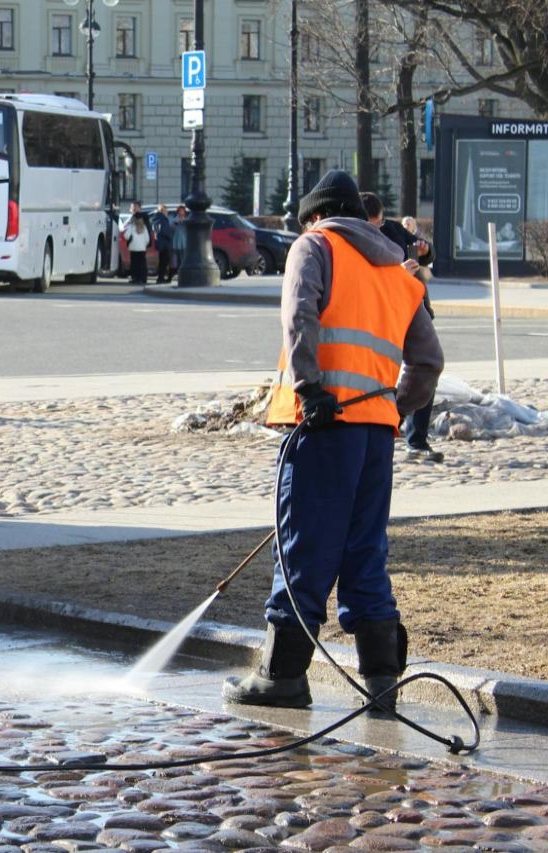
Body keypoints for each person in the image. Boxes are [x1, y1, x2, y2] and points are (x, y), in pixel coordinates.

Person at [222, 170, 444, 715]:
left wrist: (310, 389)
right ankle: (382, 684)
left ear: (316, 216)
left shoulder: (314, 246)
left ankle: (282, 676)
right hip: (375, 434)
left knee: (303, 547)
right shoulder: (398, 272)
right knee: (364, 553)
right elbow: (428, 361)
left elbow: (299, 317)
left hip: (322, 425)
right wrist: (395, 405)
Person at [361, 192, 443, 463]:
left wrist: (423, 250)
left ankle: (415, 437)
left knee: (427, 366)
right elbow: (368, 281)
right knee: (377, 374)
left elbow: (426, 253)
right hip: (381, 315)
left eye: (381, 222)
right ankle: (377, 428)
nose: (379, 228)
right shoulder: (355, 239)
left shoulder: (392, 229)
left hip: (414, 308)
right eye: (373, 224)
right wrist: (399, 274)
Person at [122, 202, 151, 284]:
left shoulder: (131, 226)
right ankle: (143, 278)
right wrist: (144, 245)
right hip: (142, 248)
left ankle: (135, 278)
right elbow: (147, 239)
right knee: (142, 263)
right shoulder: (144, 227)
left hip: (133, 247)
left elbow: (126, 236)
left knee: (134, 264)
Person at [152, 204, 174, 283]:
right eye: (166, 210)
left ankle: (161, 277)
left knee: (163, 261)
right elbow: (164, 231)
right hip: (164, 243)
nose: (167, 212)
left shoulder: (157, 218)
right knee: (164, 261)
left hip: (161, 243)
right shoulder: (161, 219)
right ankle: (161, 278)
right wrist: (170, 234)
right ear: (162, 210)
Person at [172, 204, 188, 276]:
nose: (181, 213)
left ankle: (183, 270)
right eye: (180, 211)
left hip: (184, 240)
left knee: (183, 256)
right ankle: (177, 270)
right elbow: (171, 227)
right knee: (176, 256)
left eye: (183, 211)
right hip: (177, 240)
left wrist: (184, 222)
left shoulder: (187, 219)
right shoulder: (175, 219)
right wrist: (177, 222)